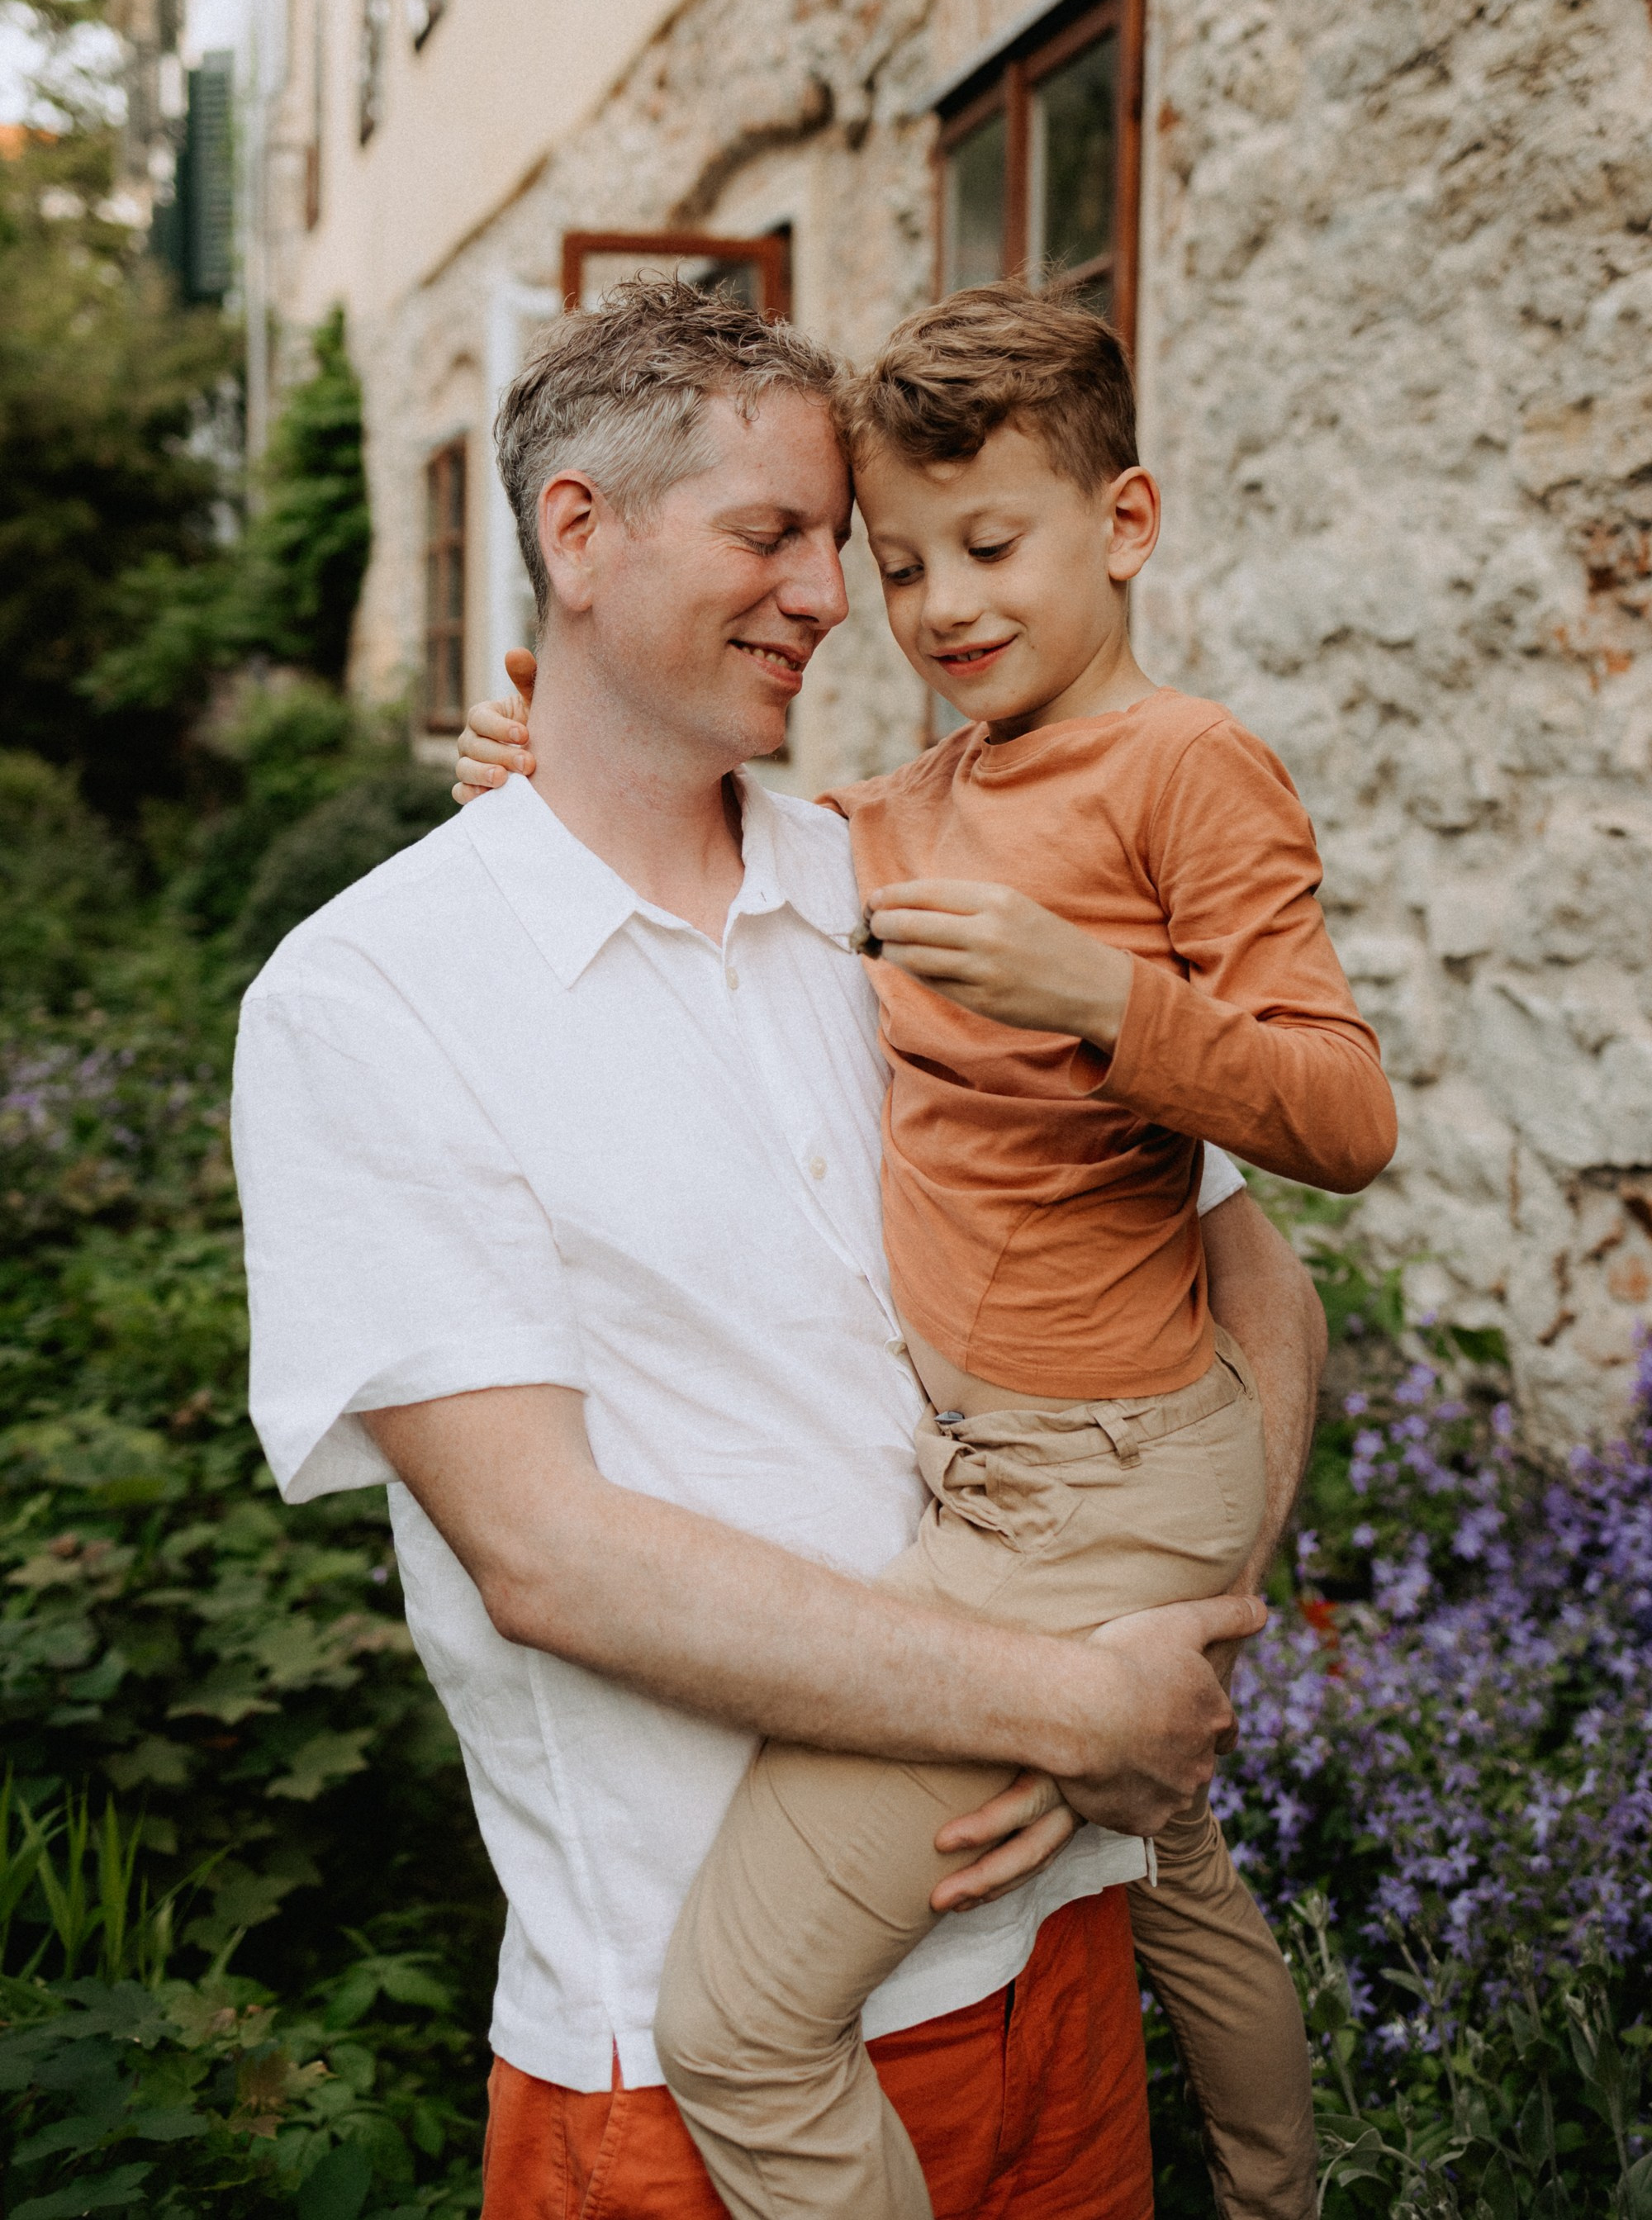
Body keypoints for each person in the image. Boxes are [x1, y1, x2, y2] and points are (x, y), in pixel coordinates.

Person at [239, 279, 1323, 2220]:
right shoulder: (375, 994)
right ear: (578, 534)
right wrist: (1077, 1707)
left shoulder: (899, 880)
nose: (838, 596)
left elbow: (1249, 1270)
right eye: (776, 534)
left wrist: (1192, 1627)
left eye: (847, 543)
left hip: (1056, 1953)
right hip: (682, 2070)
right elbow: (549, 1557)